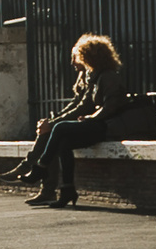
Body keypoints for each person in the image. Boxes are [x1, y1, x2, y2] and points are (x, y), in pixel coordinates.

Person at [10, 33, 125, 208]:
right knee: (63, 142)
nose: (75, 63)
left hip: (107, 126)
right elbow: (84, 104)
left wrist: (90, 118)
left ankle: (39, 167)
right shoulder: (95, 77)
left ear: (91, 57)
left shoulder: (108, 77)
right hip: (96, 124)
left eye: (80, 57)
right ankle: (67, 189)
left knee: (60, 128)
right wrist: (54, 120)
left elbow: (111, 107)